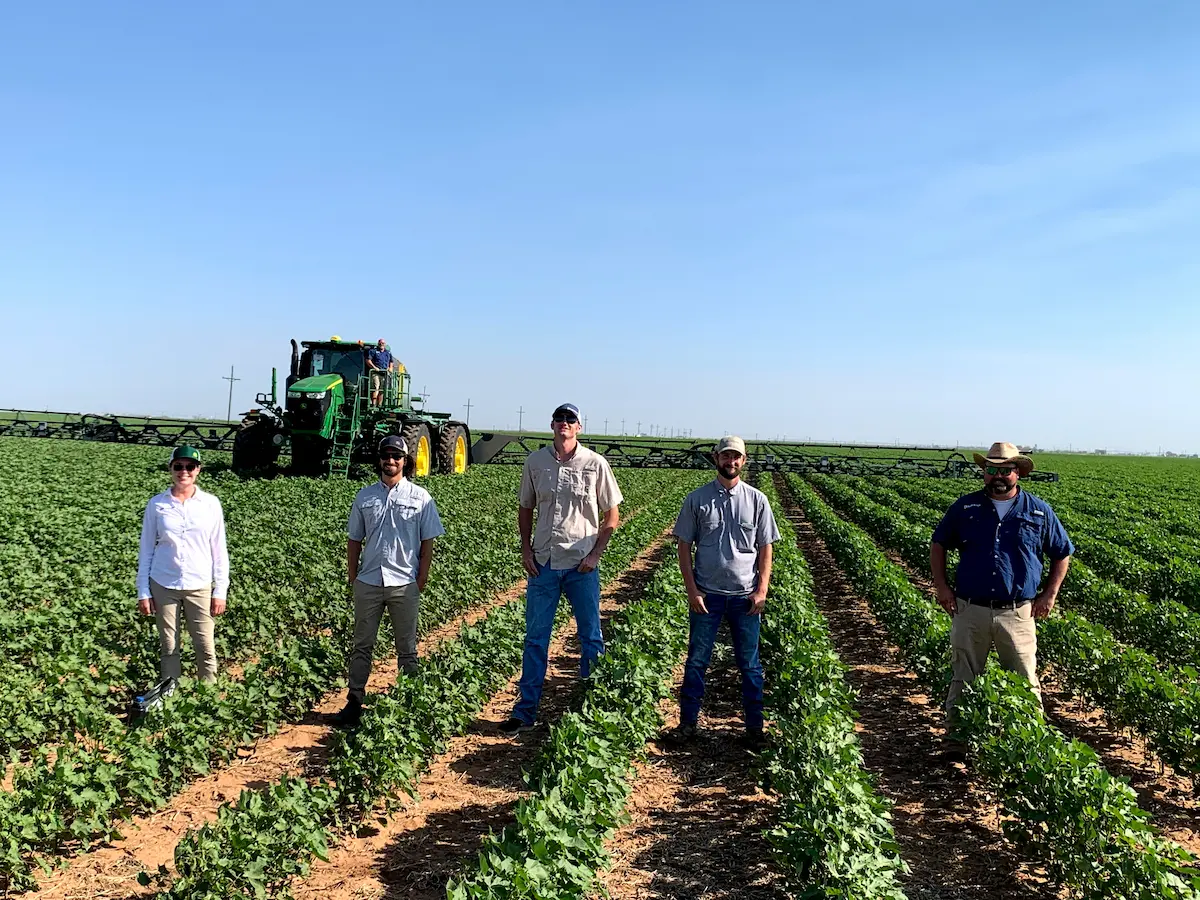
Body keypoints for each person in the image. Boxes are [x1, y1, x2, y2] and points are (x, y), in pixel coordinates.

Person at [931, 441, 1073, 759]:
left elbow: (1062, 553)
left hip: (1017, 612)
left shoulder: (1038, 511)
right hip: (971, 609)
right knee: (964, 676)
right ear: (984, 473)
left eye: (1005, 470)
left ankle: (1030, 746)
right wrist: (942, 586)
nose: (998, 475)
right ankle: (957, 742)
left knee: (1025, 679)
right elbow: (939, 542)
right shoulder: (965, 508)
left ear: (1018, 472)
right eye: (991, 469)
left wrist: (1049, 595)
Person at [499, 403, 623, 735]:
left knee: (591, 637)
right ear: (552, 424)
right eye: (560, 419)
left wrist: (596, 554)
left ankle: (590, 708)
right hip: (544, 563)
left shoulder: (595, 464)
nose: (564, 424)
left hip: (581, 565)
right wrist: (525, 548)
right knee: (536, 639)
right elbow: (525, 507)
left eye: (571, 419)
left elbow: (612, 515)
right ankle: (525, 713)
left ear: (579, 427)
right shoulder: (535, 462)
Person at [661, 435, 780, 750]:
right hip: (707, 595)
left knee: (750, 665)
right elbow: (684, 546)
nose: (731, 462)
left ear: (744, 461)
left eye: (736, 457)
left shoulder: (757, 500)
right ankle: (688, 725)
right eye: (726, 457)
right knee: (697, 660)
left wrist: (762, 590)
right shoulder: (697, 499)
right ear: (716, 459)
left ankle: (754, 730)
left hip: (745, 597)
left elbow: (766, 547)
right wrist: (692, 589)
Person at [333, 434, 445, 727]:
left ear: (405, 462)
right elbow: (354, 539)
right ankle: (354, 701)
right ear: (379, 460)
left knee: (406, 647)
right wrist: (353, 575)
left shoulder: (421, 498)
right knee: (362, 645)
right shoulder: (365, 496)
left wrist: (421, 577)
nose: (390, 461)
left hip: (404, 582)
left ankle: (409, 704)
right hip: (369, 582)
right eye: (386, 456)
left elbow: (428, 542)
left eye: (396, 456)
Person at [136, 444, 229, 683]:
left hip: (199, 584)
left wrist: (220, 591)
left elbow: (219, 550)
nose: (184, 471)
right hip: (164, 583)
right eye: (178, 466)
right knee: (169, 646)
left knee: (205, 646)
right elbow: (146, 550)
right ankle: (170, 696)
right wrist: (143, 592)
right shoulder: (157, 504)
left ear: (198, 470)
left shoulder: (210, 504)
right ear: (171, 468)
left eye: (190, 466)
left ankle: (208, 698)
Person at [366, 338, 394, 406]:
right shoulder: (373, 351)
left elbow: (391, 361)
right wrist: (374, 367)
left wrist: (390, 368)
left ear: (385, 344)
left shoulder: (388, 352)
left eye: (383, 343)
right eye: (380, 343)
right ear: (378, 344)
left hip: (385, 373)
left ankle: (380, 404)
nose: (381, 344)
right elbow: (368, 360)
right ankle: (373, 404)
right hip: (376, 373)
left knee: (382, 389)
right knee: (376, 387)